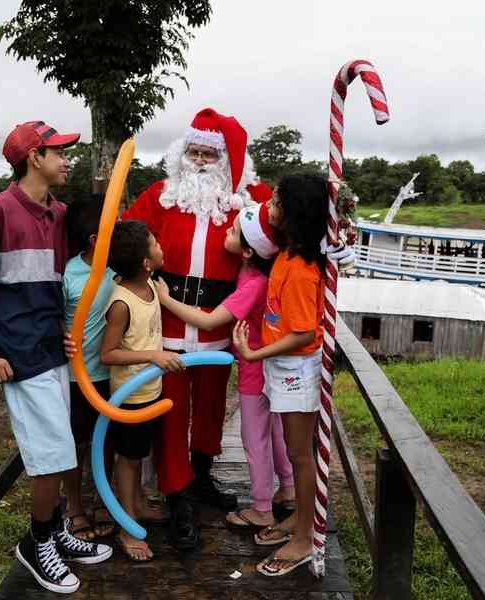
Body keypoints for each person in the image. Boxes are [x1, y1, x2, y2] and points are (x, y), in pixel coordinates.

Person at [0, 120, 111, 595]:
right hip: (22, 356)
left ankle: (56, 530)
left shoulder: (58, 214)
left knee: (60, 449)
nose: (66, 160)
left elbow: (59, 280)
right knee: (50, 457)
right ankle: (36, 543)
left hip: (53, 348)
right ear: (34, 158)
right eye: (58, 152)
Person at [122, 107, 272, 550]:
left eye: (211, 154)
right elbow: (123, 239)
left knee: (210, 410)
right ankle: (177, 496)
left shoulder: (248, 201)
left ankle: (201, 476)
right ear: (181, 153)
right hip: (165, 328)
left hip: (220, 328)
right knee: (171, 414)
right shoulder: (160, 195)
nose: (202, 161)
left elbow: (288, 223)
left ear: (227, 160)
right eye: (194, 152)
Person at [154, 202, 295, 529]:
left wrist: (165, 299)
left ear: (248, 251)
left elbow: (210, 320)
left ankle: (261, 506)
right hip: (257, 362)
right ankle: (287, 489)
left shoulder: (253, 282)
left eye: (232, 231)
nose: (226, 231)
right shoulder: (252, 273)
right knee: (274, 431)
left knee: (253, 436)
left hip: (251, 365)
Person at [232, 173, 330, 577]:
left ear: (294, 212)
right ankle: (299, 518)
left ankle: (306, 536)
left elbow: (304, 333)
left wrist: (254, 353)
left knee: (300, 454)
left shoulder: (302, 269)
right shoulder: (287, 255)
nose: (268, 206)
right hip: (283, 365)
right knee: (295, 451)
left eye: (275, 202)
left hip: (296, 368)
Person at [99, 220, 183, 562]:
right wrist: (153, 355)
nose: (162, 247)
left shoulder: (148, 283)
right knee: (130, 461)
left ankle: (136, 504)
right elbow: (108, 354)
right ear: (146, 262)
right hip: (130, 397)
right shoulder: (122, 302)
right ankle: (127, 526)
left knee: (139, 456)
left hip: (150, 390)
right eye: (155, 244)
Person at [62, 194, 117, 541]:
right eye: (115, 226)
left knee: (106, 440)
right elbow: (55, 315)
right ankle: (74, 507)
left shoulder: (121, 268)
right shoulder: (70, 273)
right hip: (77, 378)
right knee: (76, 444)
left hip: (114, 376)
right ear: (96, 239)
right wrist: (61, 336)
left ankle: (103, 499)